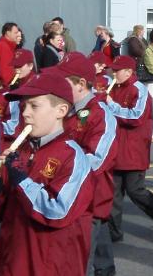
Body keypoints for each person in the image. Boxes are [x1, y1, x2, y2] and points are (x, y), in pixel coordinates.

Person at [0, 72, 94, 275]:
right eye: (24, 106)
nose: (25, 113)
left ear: (61, 110)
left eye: (34, 106)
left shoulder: (73, 156)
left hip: (49, 265)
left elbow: (57, 211)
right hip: (12, 260)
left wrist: (21, 180)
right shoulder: (20, 150)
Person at [54, 52, 118, 276]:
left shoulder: (100, 113)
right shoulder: (68, 109)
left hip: (89, 197)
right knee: (100, 252)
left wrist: (63, 168)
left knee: (81, 261)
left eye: (64, 83)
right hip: (73, 195)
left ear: (81, 84)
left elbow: (98, 158)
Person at [106, 55, 153, 240]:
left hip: (134, 150)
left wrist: (111, 105)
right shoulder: (114, 87)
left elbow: (136, 117)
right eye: (113, 70)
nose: (113, 73)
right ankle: (114, 232)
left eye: (117, 70)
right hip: (116, 148)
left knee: (135, 191)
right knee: (114, 194)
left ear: (128, 71)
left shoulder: (139, 90)